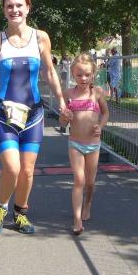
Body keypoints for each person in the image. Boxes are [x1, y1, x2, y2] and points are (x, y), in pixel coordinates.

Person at [0, 0, 70, 236]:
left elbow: (49, 72)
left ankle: (20, 212)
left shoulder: (41, 38)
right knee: (12, 168)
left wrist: (61, 101)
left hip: (33, 114)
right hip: (4, 114)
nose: (14, 10)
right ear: (4, 11)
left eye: (19, 5)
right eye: (9, 6)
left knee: (27, 169)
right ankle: (1, 208)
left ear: (27, 8)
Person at [59, 53, 109, 235]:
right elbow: (62, 122)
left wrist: (100, 127)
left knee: (90, 182)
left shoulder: (97, 93)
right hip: (75, 144)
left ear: (93, 74)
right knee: (79, 180)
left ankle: (88, 203)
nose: (83, 78)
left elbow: (105, 113)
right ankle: (77, 219)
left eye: (87, 75)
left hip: (93, 144)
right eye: (79, 75)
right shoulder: (68, 94)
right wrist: (65, 117)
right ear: (73, 74)